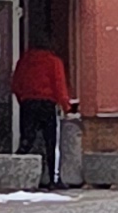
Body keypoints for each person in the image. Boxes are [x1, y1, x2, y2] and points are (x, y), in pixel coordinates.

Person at [7, 38, 71, 186]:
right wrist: (66, 106)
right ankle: (53, 179)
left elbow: (16, 84)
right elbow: (59, 86)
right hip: (47, 104)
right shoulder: (53, 61)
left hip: (28, 103)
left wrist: (23, 100)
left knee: (27, 140)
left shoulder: (24, 61)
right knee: (51, 142)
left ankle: (16, 174)